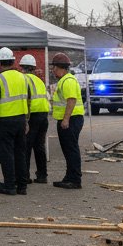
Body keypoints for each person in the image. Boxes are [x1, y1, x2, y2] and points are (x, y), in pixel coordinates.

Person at [0, 47, 29, 195]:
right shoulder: (23, 77)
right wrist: (26, 120)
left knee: (6, 153)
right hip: (21, 120)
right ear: (12, 61)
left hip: (6, 121)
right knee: (20, 153)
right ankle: (22, 185)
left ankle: (9, 185)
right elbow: (27, 100)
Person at [50, 53, 85, 189]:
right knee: (68, 149)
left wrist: (65, 119)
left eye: (54, 68)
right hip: (70, 119)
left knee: (71, 150)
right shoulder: (65, 80)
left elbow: (71, 100)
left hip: (71, 120)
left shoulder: (68, 81)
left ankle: (75, 179)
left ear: (61, 68)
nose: (53, 70)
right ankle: (69, 177)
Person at [19, 54, 50, 184]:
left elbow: (26, 99)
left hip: (32, 116)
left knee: (26, 146)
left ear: (22, 67)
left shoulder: (24, 79)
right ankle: (42, 175)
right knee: (39, 146)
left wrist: (25, 119)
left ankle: (25, 176)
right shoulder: (39, 80)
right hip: (43, 115)